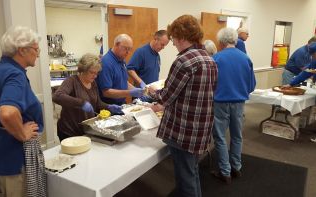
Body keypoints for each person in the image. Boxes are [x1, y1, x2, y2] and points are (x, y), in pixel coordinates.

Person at [149, 15, 218, 197]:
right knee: (192, 172)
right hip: (200, 128)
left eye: (173, 39)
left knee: (185, 179)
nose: (172, 44)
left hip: (183, 130)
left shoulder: (184, 61)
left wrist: (152, 93)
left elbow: (167, 96)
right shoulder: (209, 59)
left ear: (181, 36)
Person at [0, 26, 46, 197]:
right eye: (36, 48)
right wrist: (22, 134)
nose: (38, 53)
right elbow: (7, 113)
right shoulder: (14, 75)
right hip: (14, 155)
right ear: (22, 50)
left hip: (0, 151)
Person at [211, 27, 256, 184]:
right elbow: (251, 85)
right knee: (237, 136)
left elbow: (210, 84)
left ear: (221, 42)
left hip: (220, 103)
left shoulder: (216, 58)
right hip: (239, 103)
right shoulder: (245, 58)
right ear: (235, 40)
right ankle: (236, 167)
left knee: (220, 137)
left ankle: (225, 171)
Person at [52, 53, 122, 141]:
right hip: (69, 131)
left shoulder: (93, 83)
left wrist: (109, 107)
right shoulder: (72, 81)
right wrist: (81, 103)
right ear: (83, 69)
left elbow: (97, 103)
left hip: (85, 130)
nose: (95, 76)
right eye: (92, 72)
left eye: (96, 73)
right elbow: (57, 96)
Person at [282, 42, 316, 143]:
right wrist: (291, 84)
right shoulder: (314, 61)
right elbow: (306, 72)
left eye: (314, 55)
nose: (312, 57)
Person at [96, 34, 144, 105]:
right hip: (109, 107)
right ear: (116, 45)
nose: (128, 52)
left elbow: (124, 82)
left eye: (129, 49)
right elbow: (106, 92)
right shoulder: (106, 63)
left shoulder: (121, 60)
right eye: (126, 48)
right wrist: (130, 93)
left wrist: (138, 91)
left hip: (121, 103)